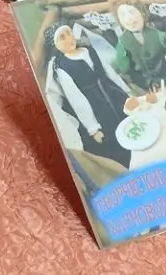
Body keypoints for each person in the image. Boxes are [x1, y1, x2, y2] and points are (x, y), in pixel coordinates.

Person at [44, 25, 132, 168]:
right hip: (95, 104)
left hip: (112, 92)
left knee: (128, 120)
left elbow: (109, 72)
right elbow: (76, 99)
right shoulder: (63, 68)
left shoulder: (89, 50)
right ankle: (128, 164)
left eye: (69, 33)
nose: (69, 39)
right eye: (62, 38)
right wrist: (93, 127)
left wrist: (126, 92)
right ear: (55, 45)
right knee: (113, 133)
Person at [110, 1, 166, 98]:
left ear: (142, 13)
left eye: (132, 12)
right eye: (123, 15)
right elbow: (126, 70)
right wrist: (145, 84)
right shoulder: (123, 43)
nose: (129, 18)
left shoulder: (159, 35)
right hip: (143, 88)